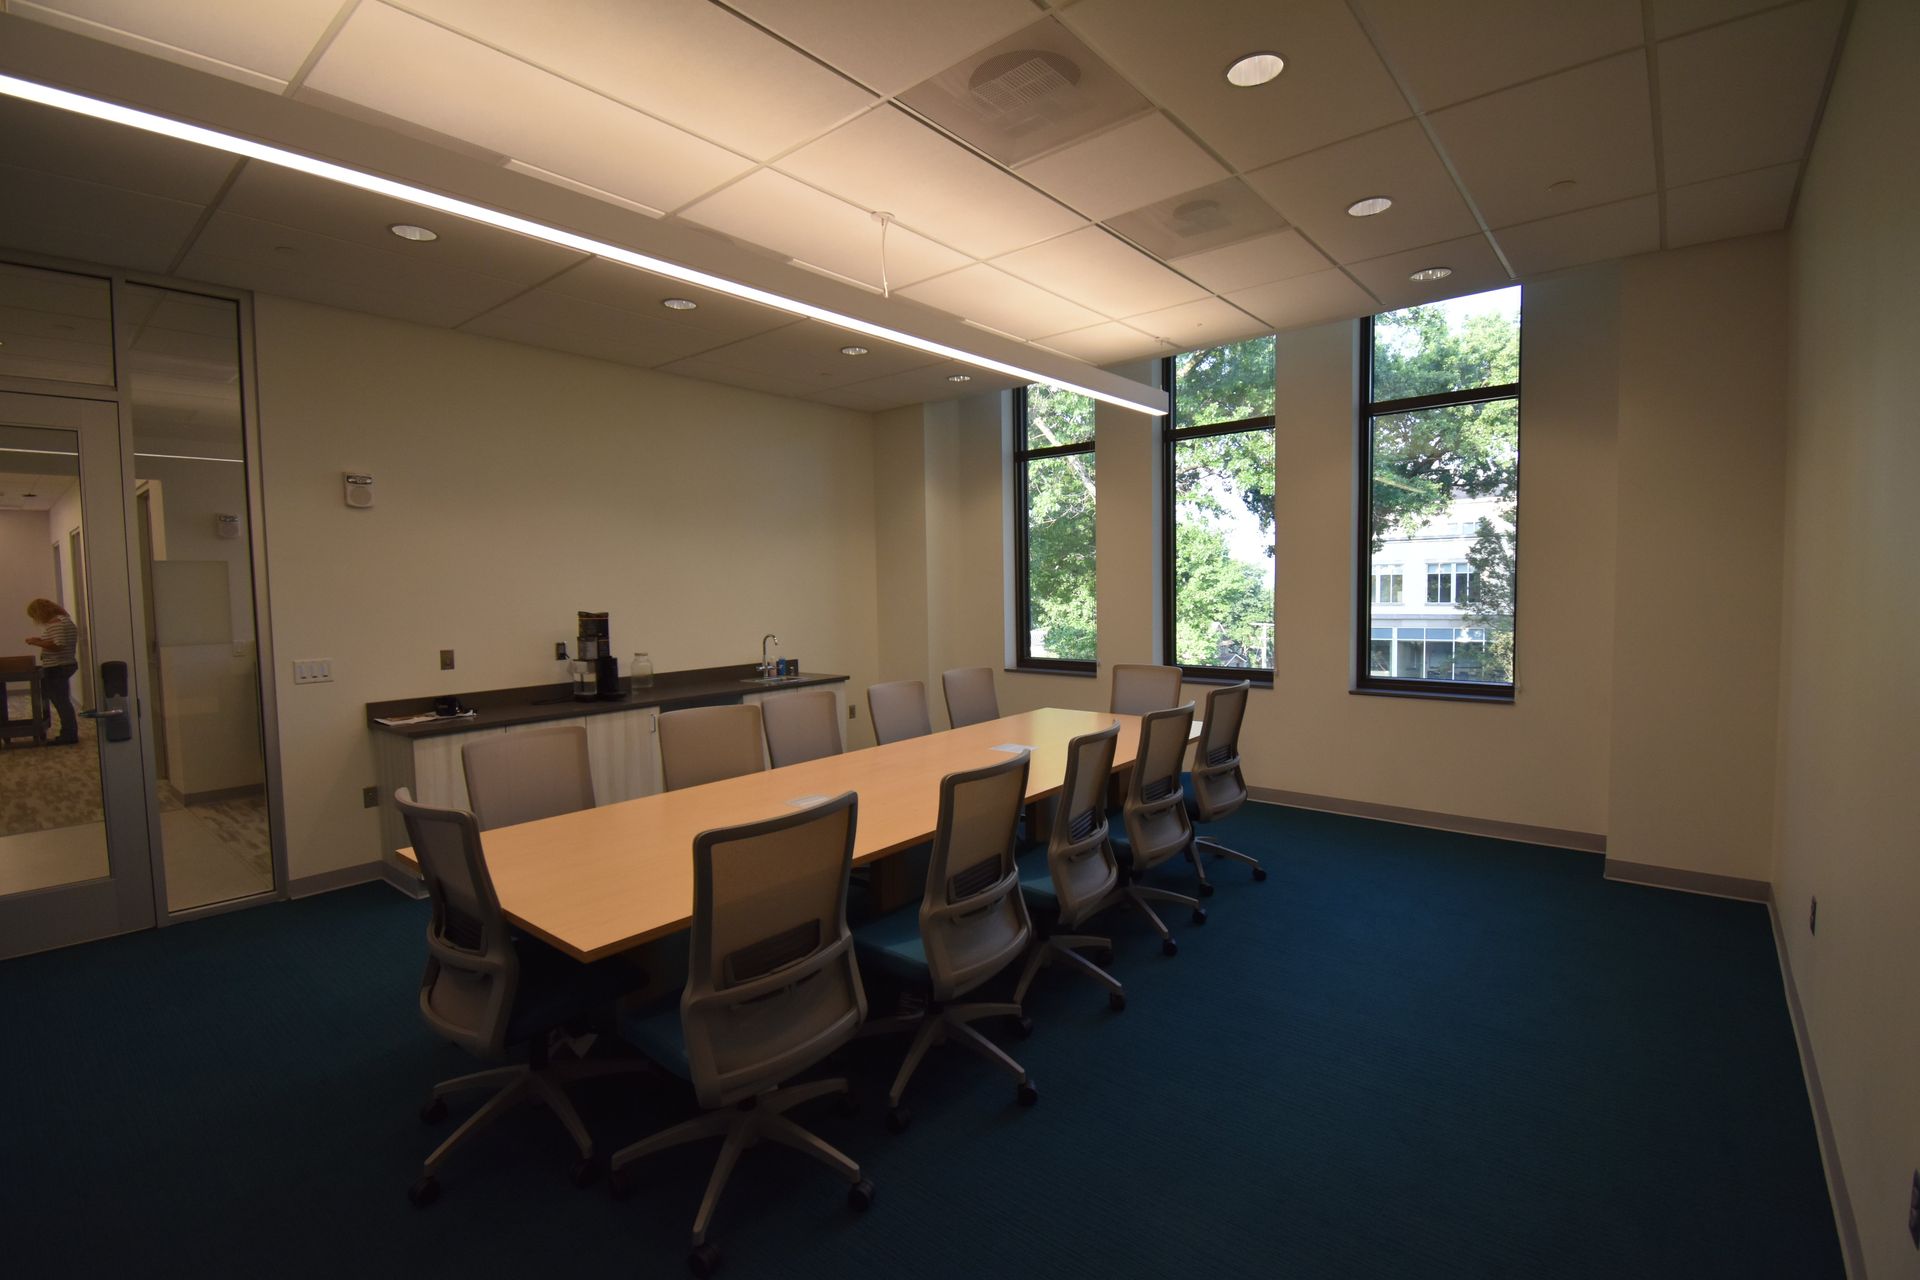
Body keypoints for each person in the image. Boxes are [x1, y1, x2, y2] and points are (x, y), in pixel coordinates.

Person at [24, 598, 78, 746]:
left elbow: (58, 645)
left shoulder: (55, 623)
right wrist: (40, 639)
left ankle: (69, 734)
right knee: (63, 700)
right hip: (66, 664)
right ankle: (70, 732)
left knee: (61, 702)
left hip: (57, 666)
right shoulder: (64, 620)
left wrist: (36, 642)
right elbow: (57, 641)